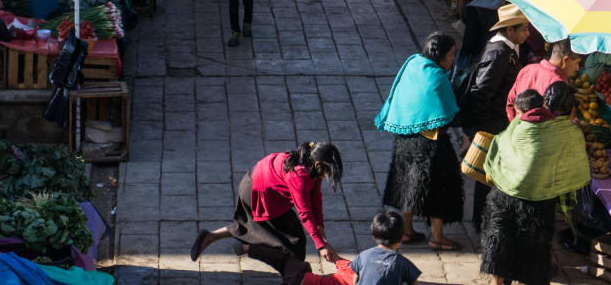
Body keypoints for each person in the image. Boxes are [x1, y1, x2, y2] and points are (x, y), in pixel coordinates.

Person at [480, 82, 589, 285]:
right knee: (533, 251)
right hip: (538, 200)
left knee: (500, 240)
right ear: (572, 108)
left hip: (505, 192)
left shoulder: (521, 122)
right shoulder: (570, 132)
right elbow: (573, 167)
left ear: (544, 102)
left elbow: (501, 144)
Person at [189, 142, 344, 270]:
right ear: (318, 164)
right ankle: (255, 252)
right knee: (292, 244)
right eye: (327, 173)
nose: (326, 176)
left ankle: (211, 237)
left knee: (251, 226)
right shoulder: (299, 176)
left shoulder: (309, 164)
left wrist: (320, 228)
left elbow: (315, 197)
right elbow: (304, 212)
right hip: (257, 193)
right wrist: (320, 245)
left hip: (257, 184)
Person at [376, 32, 465, 252]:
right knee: (441, 186)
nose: (453, 59)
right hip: (432, 143)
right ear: (441, 56)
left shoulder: (413, 63)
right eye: (452, 54)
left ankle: (406, 230)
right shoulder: (437, 77)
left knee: (409, 182)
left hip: (405, 138)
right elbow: (448, 111)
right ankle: (437, 236)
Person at [458, 3, 529, 232]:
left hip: (499, 121)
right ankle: (482, 222)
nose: (527, 34)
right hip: (492, 123)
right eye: (524, 30)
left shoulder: (508, 50)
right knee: (486, 175)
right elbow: (481, 94)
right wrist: (482, 130)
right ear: (510, 30)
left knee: (492, 173)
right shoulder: (498, 53)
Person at [450, 0, 503, 91]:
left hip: (481, 60)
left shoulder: (474, 9)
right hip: (500, 55)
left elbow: (469, 44)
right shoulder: (503, 2)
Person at [505, 38, 582, 121]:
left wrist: (516, 127)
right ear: (565, 60)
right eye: (577, 63)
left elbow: (510, 103)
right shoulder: (559, 85)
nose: (577, 68)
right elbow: (562, 122)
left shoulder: (527, 69)